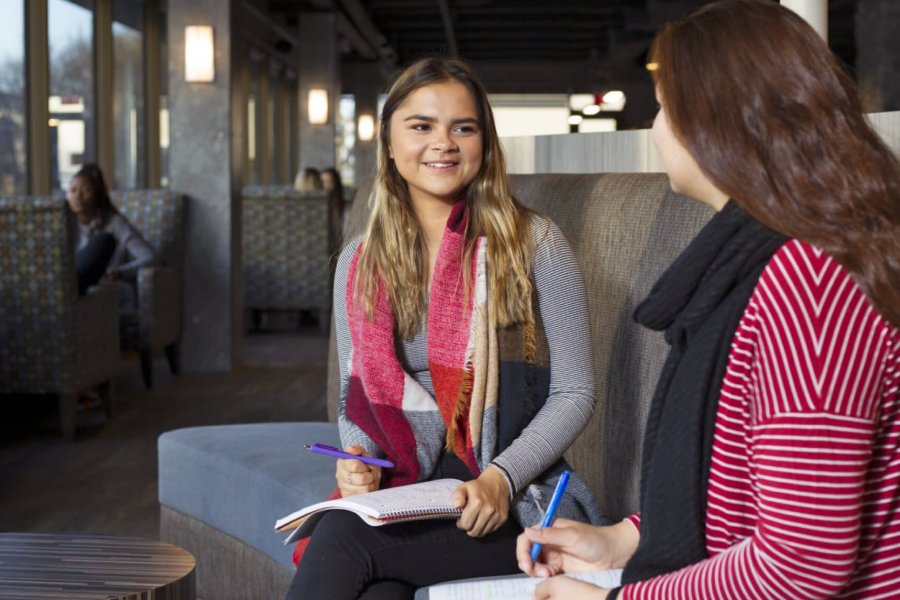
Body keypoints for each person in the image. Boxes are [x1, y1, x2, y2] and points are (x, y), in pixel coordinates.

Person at [515, 1, 900, 599]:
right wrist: (623, 539)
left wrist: (619, 599)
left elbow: (803, 564)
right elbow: (752, 496)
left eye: (664, 109)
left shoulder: (811, 283)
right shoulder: (773, 260)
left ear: (712, 122)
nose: (656, 130)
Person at [285, 57, 608, 600]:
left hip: (512, 503)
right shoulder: (358, 263)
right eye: (421, 126)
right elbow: (354, 395)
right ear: (389, 143)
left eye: (464, 127)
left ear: (485, 142)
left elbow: (575, 393)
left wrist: (499, 478)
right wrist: (358, 461)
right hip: (407, 491)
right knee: (378, 590)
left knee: (341, 538)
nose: (445, 143)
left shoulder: (535, 245)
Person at [66, 163, 155, 306]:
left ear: (97, 195)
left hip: (105, 282)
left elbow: (150, 257)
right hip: (68, 280)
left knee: (103, 241)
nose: (78, 196)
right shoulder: (62, 225)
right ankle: (72, 285)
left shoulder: (115, 224)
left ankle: (74, 285)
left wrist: (120, 272)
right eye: (73, 190)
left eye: (86, 190)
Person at [320, 166, 345, 249]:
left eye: (327, 182)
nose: (324, 186)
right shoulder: (316, 207)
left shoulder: (344, 209)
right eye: (322, 182)